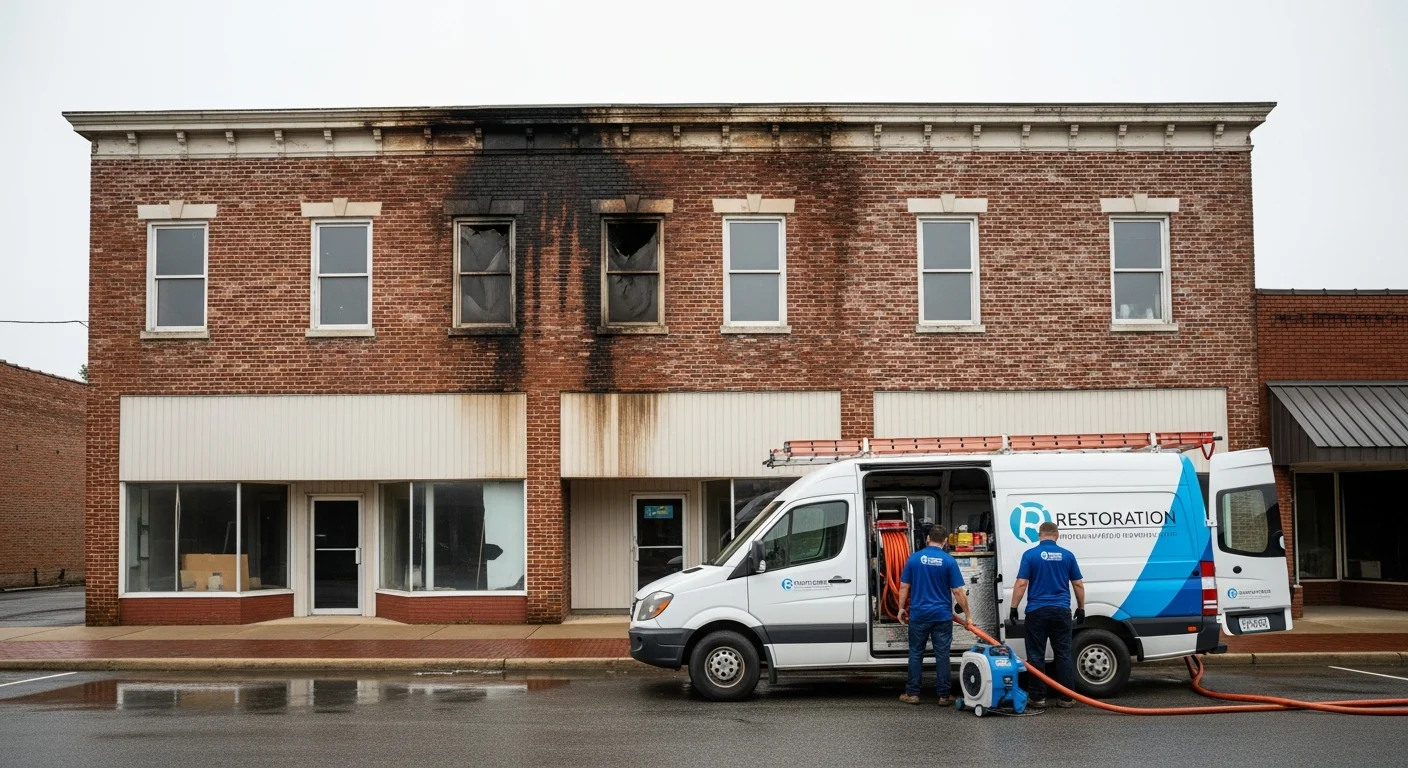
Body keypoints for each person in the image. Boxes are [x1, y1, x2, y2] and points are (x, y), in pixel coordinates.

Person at [1009, 521, 1085, 709]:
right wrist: (1081, 607)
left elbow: (1021, 583)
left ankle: (1037, 698)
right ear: (1057, 535)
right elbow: (1078, 584)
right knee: (1063, 654)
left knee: (1036, 655)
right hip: (1061, 611)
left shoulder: (1030, 555)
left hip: (1037, 611)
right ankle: (1067, 697)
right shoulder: (1068, 556)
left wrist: (1013, 607)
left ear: (1039, 535)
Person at [897, 524, 972, 705]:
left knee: (916, 653)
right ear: (945, 541)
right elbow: (958, 591)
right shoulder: (948, 561)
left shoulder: (914, 559)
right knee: (942, 654)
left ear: (927, 539)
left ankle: (912, 693)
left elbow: (904, 586)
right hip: (942, 616)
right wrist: (968, 616)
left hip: (919, 615)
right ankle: (944, 696)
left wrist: (901, 608)